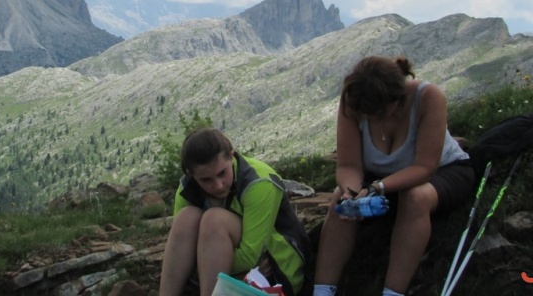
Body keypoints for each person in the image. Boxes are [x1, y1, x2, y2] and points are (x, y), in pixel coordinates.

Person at [313, 55, 474, 296]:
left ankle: (392, 292)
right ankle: (322, 291)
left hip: (443, 172)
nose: (371, 117)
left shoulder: (429, 97)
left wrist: (377, 187)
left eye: (377, 113)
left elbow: (424, 168)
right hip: (382, 180)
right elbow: (348, 165)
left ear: (396, 99)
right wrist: (351, 192)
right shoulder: (353, 101)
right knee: (341, 199)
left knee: (415, 198)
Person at [159, 127, 311, 296]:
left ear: (231, 156)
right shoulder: (187, 187)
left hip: (275, 272)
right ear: (191, 174)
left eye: (222, 173)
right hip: (226, 269)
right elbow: (180, 245)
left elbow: (250, 256)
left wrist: (199, 265)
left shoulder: (259, 183)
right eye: (206, 180)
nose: (218, 185)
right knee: (186, 218)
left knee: (214, 220)